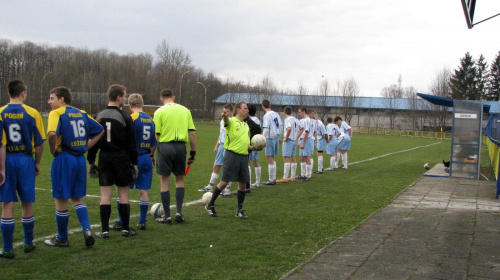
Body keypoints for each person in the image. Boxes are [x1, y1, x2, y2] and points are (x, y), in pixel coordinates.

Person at [43, 87, 104, 248]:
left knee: (61, 198)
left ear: (62, 99)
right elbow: (100, 129)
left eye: (52, 98)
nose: (49, 102)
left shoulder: (56, 113)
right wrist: (86, 146)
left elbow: (51, 134)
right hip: (79, 160)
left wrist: (52, 149)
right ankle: (87, 229)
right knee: (77, 198)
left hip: (64, 158)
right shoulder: (81, 113)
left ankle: (62, 238)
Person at [0, 80, 45, 259]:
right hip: (25, 159)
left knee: (7, 204)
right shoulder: (32, 113)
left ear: (9, 93)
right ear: (23, 93)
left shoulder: (1, 112)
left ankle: (8, 248)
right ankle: (28, 243)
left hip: (7, 159)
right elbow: (40, 142)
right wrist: (37, 162)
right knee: (26, 203)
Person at [87, 84, 138, 238]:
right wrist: (134, 163)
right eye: (124, 95)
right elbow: (131, 144)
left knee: (105, 195)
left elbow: (93, 141)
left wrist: (91, 161)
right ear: (118, 97)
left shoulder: (98, 115)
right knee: (123, 194)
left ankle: (104, 231)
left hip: (105, 157)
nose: (125, 98)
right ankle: (125, 229)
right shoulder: (125, 117)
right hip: (121, 157)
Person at [205, 101, 260, 219]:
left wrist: (254, 147)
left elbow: (246, 144)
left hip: (244, 157)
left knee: (243, 185)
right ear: (238, 109)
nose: (247, 110)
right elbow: (226, 122)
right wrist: (225, 117)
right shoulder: (231, 121)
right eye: (245, 108)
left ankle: (239, 210)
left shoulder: (246, 125)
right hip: (232, 156)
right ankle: (210, 205)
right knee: (224, 182)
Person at [111, 93, 157, 231]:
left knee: (123, 190)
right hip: (146, 157)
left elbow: (125, 139)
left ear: (130, 105)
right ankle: (142, 221)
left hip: (132, 158)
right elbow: (154, 142)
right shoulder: (150, 120)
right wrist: (151, 155)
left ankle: (121, 221)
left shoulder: (131, 118)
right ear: (141, 104)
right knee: (143, 190)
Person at [153, 89, 196, 224]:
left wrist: (151, 153)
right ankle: (179, 212)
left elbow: (156, 135)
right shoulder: (185, 110)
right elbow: (192, 134)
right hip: (180, 148)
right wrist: (193, 152)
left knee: (164, 182)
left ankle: (167, 216)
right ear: (174, 97)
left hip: (165, 146)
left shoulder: (159, 112)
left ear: (161, 98)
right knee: (179, 179)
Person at [198, 104, 233, 196]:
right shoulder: (222, 121)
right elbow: (221, 134)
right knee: (216, 166)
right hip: (221, 146)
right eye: (224, 111)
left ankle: (227, 189)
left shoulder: (233, 121)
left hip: (228, 147)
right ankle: (210, 186)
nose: (225, 113)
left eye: (227, 111)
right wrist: (216, 145)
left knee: (227, 169)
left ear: (232, 112)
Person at [261, 99, 282, 185]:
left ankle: (271, 179)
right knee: (272, 157)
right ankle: (273, 178)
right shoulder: (276, 114)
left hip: (269, 137)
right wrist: (279, 136)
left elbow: (266, 128)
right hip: (276, 136)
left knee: (269, 157)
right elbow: (280, 125)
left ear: (263, 106)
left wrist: (263, 138)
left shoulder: (267, 115)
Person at [276, 106, 299, 183]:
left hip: (289, 141)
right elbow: (301, 129)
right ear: (291, 112)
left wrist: (286, 137)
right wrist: (296, 136)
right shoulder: (295, 119)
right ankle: (292, 177)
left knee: (286, 158)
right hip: (294, 141)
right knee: (293, 158)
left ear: (284, 112)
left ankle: (285, 178)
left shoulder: (287, 119)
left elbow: (289, 128)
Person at [247, 104, 262, 188]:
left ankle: (248, 183)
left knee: (247, 163)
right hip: (257, 143)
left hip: (250, 143)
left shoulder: (249, 120)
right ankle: (258, 182)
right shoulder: (257, 120)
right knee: (255, 162)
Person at [297, 107, 312, 181]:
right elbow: (301, 130)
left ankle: (308, 175)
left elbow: (306, 132)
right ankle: (303, 174)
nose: (299, 114)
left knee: (306, 157)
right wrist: (298, 140)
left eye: (300, 112)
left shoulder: (307, 120)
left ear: (303, 112)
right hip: (302, 139)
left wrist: (303, 143)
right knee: (301, 157)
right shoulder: (303, 120)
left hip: (306, 140)